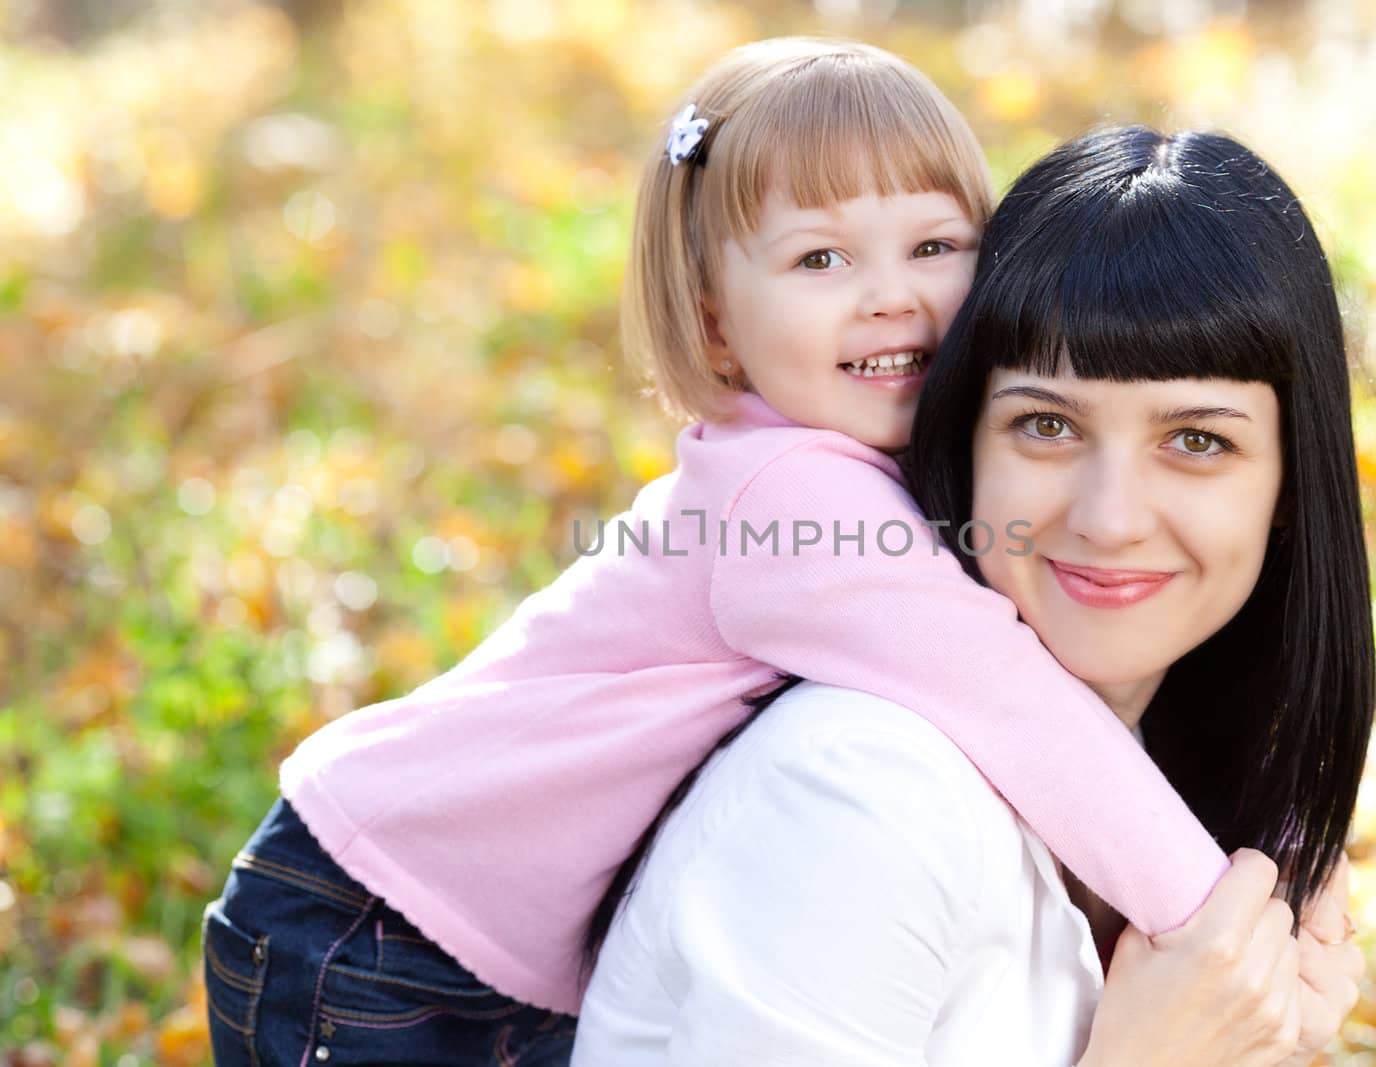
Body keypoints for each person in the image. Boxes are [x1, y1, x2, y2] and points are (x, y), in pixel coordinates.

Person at [201, 38, 1237, 1066]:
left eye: (932, 245)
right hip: (370, 920)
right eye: (820, 258)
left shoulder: (853, 470)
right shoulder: (793, 496)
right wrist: (1219, 919)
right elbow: (1011, 698)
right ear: (716, 323)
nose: (889, 293)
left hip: (452, 928)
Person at [573, 125, 1375, 1065]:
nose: (1111, 517)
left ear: (1290, 487)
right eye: (1045, 424)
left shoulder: (1172, 787)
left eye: (1197, 440)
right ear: (962, 444)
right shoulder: (863, 792)